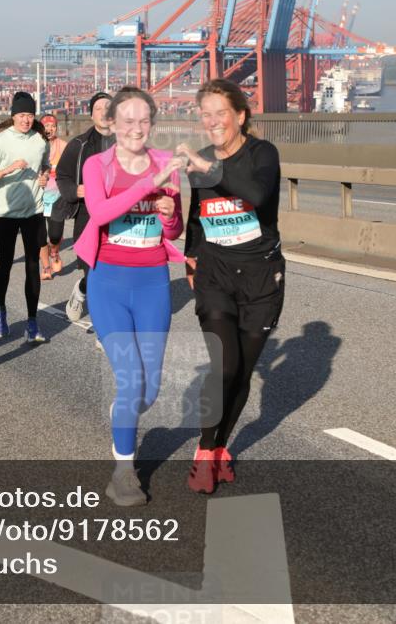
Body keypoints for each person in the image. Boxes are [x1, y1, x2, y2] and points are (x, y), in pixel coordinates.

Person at [73, 86, 184, 506]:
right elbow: (100, 213)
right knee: (131, 380)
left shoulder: (163, 164)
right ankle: (123, 472)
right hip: (109, 283)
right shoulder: (98, 165)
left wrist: (170, 215)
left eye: (144, 120)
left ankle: (124, 419)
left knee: (148, 392)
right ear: (113, 124)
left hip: (153, 280)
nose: (136, 128)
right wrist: (148, 186)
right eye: (127, 120)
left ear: (151, 123)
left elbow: (174, 230)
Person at [175, 79, 285, 493]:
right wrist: (191, 253)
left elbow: (256, 194)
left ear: (240, 116)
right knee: (225, 364)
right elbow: (198, 214)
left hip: (260, 276)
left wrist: (210, 169)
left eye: (221, 112)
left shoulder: (263, 154)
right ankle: (205, 451)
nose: (213, 121)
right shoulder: (201, 160)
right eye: (206, 114)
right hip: (216, 273)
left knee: (242, 373)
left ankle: (222, 447)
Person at [0, 92, 51, 343]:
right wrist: (8, 169)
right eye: (21, 115)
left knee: (33, 266)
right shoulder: (1, 141)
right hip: (6, 212)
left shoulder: (40, 139)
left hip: (33, 210)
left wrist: (44, 175)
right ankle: (0, 308)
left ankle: (32, 321)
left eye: (30, 115)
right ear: (13, 116)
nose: (26, 120)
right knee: (6, 264)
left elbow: (46, 164)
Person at [55, 92, 114, 321]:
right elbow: (62, 175)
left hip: (117, 217)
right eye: (98, 109)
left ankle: (84, 292)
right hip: (88, 217)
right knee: (93, 271)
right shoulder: (79, 145)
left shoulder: (128, 143)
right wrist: (74, 190)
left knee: (110, 274)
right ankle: (98, 317)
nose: (104, 112)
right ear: (91, 115)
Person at [38, 114, 67, 280]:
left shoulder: (64, 146)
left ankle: (54, 251)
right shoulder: (34, 146)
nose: (49, 129)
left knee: (55, 234)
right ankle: (46, 266)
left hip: (57, 198)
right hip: (37, 198)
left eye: (52, 126)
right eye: (46, 126)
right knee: (40, 236)